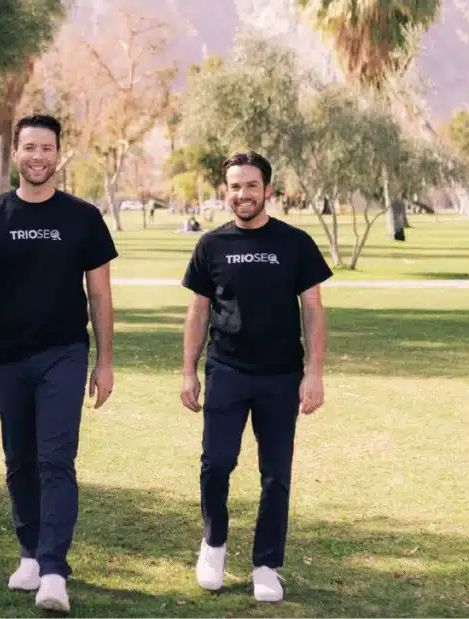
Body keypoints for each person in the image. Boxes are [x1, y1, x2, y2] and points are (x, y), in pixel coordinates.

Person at [0, 114, 118, 613]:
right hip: (7, 357)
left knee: (55, 459)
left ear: (58, 154)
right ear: (16, 154)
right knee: (19, 459)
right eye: (29, 147)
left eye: (47, 148)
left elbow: (101, 294)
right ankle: (28, 553)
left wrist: (105, 362)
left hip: (64, 353)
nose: (38, 156)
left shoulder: (83, 218)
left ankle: (53, 571)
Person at [180, 150, 332, 603]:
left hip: (281, 376)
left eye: (250, 185)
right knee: (217, 463)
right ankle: (214, 543)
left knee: (275, 474)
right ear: (225, 191)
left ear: (267, 189)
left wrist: (314, 374)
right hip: (226, 370)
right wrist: (188, 371)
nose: (241, 194)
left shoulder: (296, 243)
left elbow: (313, 310)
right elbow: (198, 311)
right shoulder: (211, 245)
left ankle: (266, 564)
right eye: (234, 186)